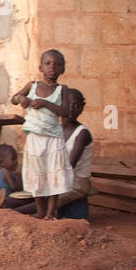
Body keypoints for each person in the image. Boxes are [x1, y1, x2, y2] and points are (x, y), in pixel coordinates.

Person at [11, 49, 71, 220]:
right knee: (37, 173)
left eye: (57, 64)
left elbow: (65, 111)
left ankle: (51, 212)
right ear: (40, 67)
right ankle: (40, 211)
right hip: (35, 138)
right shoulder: (32, 86)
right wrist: (21, 99)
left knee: (54, 173)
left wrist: (44, 103)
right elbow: (14, 98)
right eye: (48, 63)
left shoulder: (62, 90)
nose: (52, 67)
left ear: (63, 70)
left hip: (54, 139)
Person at [56, 89, 92, 220]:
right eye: (67, 104)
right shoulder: (54, 129)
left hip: (76, 181)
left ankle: (11, 212)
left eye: (76, 105)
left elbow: (69, 166)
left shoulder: (82, 133)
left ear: (82, 108)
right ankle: (4, 206)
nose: (71, 108)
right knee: (30, 194)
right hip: (58, 177)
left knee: (46, 200)